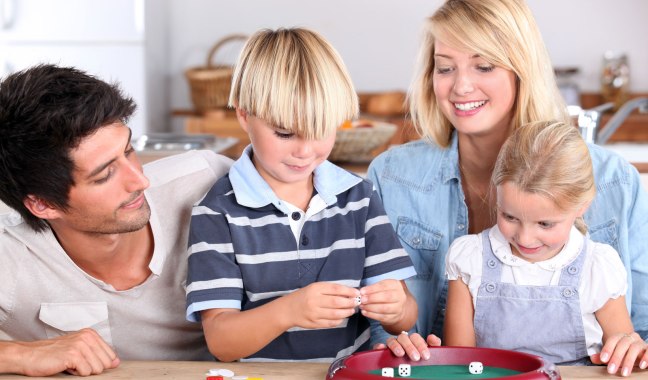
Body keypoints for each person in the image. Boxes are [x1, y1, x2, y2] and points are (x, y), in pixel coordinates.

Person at [367, 0, 648, 356]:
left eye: (483, 66)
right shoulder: (392, 177)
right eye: (445, 68)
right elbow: (377, 327)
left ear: (522, 70)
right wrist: (400, 342)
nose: (461, 87)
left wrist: (634, 349)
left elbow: (642, 329)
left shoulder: (614, 181)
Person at [185, 27, 418, 362]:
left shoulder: (359, 199)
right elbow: (221, 341)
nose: (305, 151)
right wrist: (289, 311)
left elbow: (405, 315)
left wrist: (396, 308)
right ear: (243, 114)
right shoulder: (218, 212)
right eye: (285, 133)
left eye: (322, 129)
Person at [0, 64, 232, 376]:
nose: (140, 180)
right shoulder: (11, 255)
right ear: (43, 204)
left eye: (129, 150)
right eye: (105, 174)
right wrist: (19, 355)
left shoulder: (208, 181)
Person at [442, 120, 647, 375]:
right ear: (497, 194)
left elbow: (626, 355)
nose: (525, 239)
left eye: (545, 224)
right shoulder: (470, 258)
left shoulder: (598, 266)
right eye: (510, 217)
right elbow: (460, 365)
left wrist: (633, 351)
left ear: (581, 206)